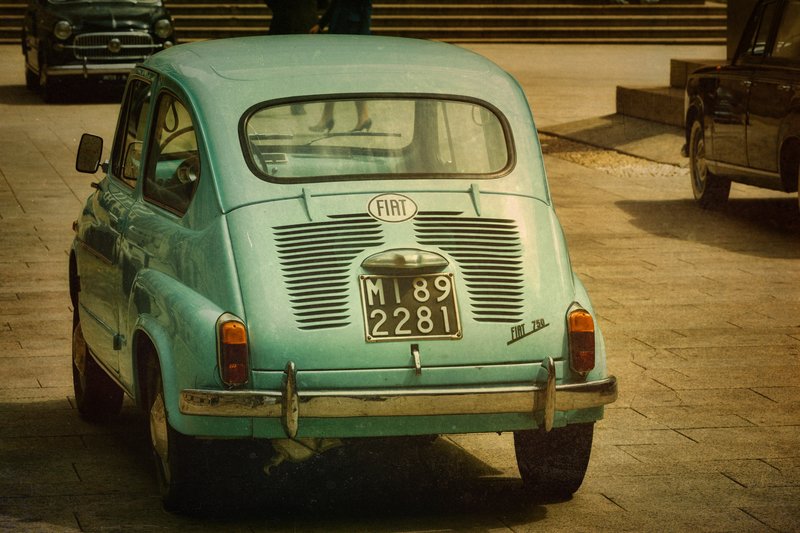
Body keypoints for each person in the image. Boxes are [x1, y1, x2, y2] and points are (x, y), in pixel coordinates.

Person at [309, 0, 373, 132]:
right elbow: (335, 4)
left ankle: (330, 117)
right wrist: (321, 24)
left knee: (342, 76)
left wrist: (363, 40)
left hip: (352, 37)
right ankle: (362, 117)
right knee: (337, 76)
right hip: (339, 33)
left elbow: (366, 9)